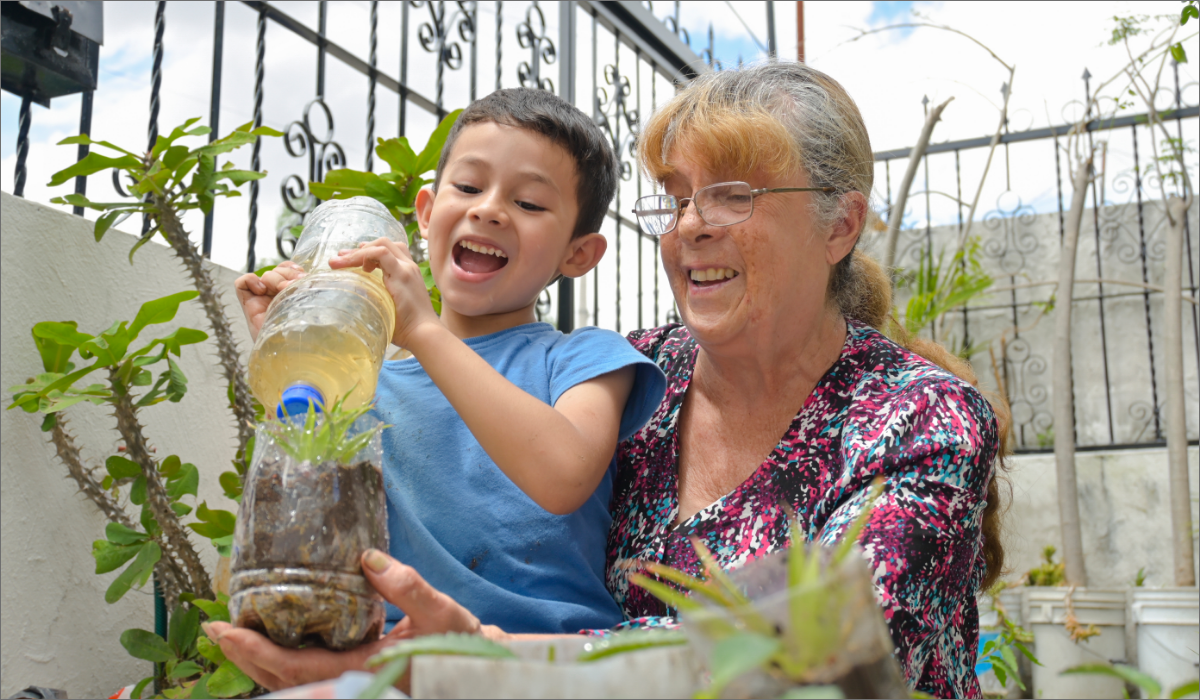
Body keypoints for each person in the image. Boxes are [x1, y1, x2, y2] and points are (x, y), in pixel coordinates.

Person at [210, 63, 1005, 700]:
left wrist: (476, 663)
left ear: (839, 225)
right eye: (677, 197)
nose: (691, 224)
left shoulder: (920, 417)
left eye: (733, 193)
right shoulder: (648, 377)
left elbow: (820, 651)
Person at [223, 88, 666, 639]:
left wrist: (424, 331)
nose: (488, 209)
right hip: (381, 658)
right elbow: (302, 525)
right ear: (428, 214)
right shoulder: (365, 381)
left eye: (528, 203)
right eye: (468, 186)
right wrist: (300, 369)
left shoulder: (585, 358)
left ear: (577, 254)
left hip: (543, 661)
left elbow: (563, 473)